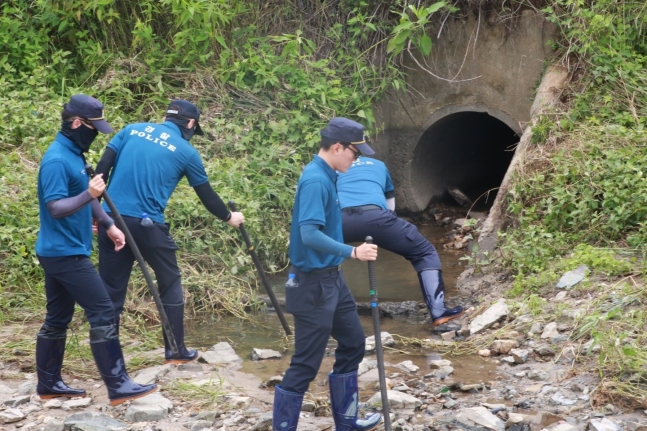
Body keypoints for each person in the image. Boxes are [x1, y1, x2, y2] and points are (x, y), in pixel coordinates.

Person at [95, 100, 244, 364]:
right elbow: (207, 197)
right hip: (147, 227)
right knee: (170, 281)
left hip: (112, 222)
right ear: (190, 124)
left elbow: (100, 172)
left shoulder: (130, 130)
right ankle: (175, 351)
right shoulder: (186, 152)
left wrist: (97, 214)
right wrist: (229, 217)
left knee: (111, 289)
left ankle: (109, 361)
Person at [35, 94, 157, 405]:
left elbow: (87, 197)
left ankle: (48, 384)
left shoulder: (74, 153)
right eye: (93, 127)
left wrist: (108, 224)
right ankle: (118, 384)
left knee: (57, 318)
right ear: (77, 123)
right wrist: (89, 193)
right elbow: (56, 207)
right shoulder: (57, 160)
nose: (95, 134)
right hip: (65, 254)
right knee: (102, 311)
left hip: (62, 250)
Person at [273, 117, 382, 431]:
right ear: (337, 147)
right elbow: (309, 234)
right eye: (355, 153)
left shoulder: (328, 174)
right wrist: (353, 252)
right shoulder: (315, 180)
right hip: (311, 285)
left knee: (353, 342)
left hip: (332, 279)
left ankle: (346, 422)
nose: (357, 159)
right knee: (306, 364)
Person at [337, 156, 463, 327]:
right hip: (378, 218)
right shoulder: (379, 165)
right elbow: (390, 205)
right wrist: (387, 230)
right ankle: (438, 311)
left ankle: (321, 309)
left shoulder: (334, 165)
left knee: (323, 251)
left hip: (341, 219)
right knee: (424, 252)